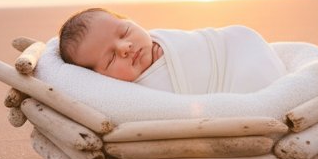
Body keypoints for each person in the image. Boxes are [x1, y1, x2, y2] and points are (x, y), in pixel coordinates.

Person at [58, 7, 287, 94]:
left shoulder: (159, 38)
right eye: (110, 58)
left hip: (236, 47)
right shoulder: (135, 94)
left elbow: (205, 43)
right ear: (99, 77)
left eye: (124, 31)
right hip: (229, 86)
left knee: (242, 36)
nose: (125, 48)